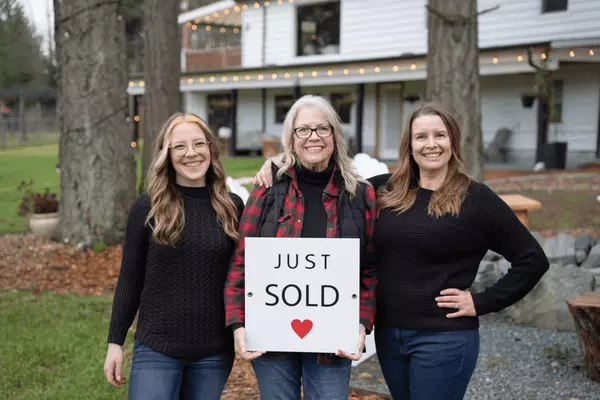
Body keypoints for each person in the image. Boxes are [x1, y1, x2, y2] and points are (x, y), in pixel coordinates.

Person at [254, 102, 550, 400]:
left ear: (453, 142)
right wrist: (281, 163)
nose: (431, 144)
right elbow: (324, 179)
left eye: (440, 135)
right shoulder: (385, 190)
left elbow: (532, 259)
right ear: (409, 145)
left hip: (443, 337)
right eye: (421, 137)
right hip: (390, 336)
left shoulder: (475, 199)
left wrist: (483, 301)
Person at [224, 94, 377, 400]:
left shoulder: (360, 195)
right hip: (272, 334)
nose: (313, 138)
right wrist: (238, 323)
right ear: (291, 139)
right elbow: (242, 261)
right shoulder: (268, 190)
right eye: (303, 130)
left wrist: (362, 322)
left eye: (322, 129)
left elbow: (370, 268)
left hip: (333, 337)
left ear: (335, 135)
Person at [103, 112, 244, 400]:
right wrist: (115, 342)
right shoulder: (147, 208)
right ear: (166, 155)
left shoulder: (232, 207)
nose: (191, 153)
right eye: (179, 146)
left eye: (198, 144)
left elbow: (243, 278)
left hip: (214, 353)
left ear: (210, 149)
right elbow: (130, 279)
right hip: (157, 348)